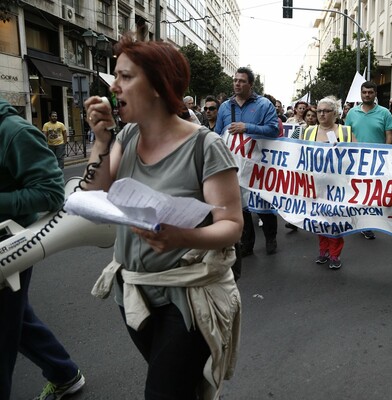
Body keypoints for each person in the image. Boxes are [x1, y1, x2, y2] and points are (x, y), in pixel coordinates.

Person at [83, 35, 243, 399]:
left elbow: (232, 225)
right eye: (115, 77)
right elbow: (94, 194)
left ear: (157, 85)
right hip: (133, 293)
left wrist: (181, 237)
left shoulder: (206, 146)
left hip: (186, 299)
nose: (114, 86)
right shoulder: (125, 135)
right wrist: (100, 140)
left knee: (163, 393)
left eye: (124, 76)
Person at [0, 98, 85, 400]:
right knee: (15, 319)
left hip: (9, 248)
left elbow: (50, 193)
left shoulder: (14, 131)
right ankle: (63, 372)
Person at [214, 66, 280, 257]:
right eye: (235, 80)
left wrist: (247, 127)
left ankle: (270, 238)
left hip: (258, 165)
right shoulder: (226, 106)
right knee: (241, 205)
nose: (237, 83)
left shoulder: (264, 105)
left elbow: (274, 130)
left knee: (263, 203)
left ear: (251, 85)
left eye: (242, 81)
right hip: (234, 165)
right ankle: (247, 242)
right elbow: (219, 134)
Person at [301, 97, 355, 269]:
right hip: (316, 183)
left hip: (338, 184)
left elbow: (358, 154)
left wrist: (343, 150)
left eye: (326, 111)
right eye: (319, 111)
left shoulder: (345, 130)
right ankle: (323, 251)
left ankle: (335, 254)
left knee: (335, 219)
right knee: (319, 218)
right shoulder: (309, 131)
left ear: (335, 113)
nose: (322, 114)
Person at [345, 81, 392, 240]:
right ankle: (362, 223)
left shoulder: (385, 113)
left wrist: (387, 156)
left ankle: (368, 221)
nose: (367, 95)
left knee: (373, 193)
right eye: (364, 92)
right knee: (358, 192)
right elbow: (346, 134)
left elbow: (389, 136)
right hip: (356, 161)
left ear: (375, 94)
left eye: (370, 92)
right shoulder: (352, 113)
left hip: (377, 162)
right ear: (361, 93)